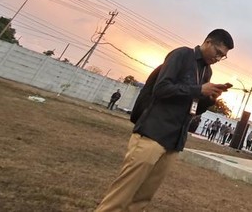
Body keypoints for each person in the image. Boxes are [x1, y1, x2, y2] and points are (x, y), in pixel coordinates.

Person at [95, 29, 234, 212]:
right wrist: (198, 90)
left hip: (173, 142)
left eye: (222, 57)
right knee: (121, 195)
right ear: (208, 42)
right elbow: (161, 89)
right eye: (218, 52)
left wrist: (209, 98)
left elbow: (193, 107)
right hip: (152, 134)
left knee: (141, 199)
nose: (218, 58)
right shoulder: (182, 55)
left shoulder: (206, 72)